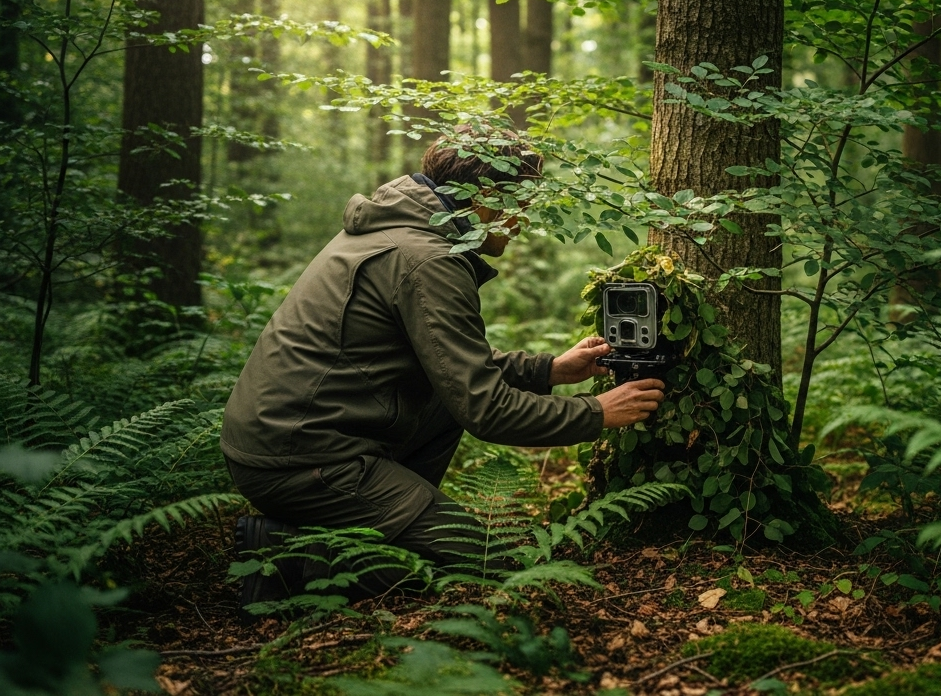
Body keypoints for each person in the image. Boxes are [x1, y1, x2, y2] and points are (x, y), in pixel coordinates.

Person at [220, 134, 665, 604]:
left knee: (444, 405)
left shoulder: (398, 228)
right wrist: (598, 412)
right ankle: (280, 556)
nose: (522, 221)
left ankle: (387, 515)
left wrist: (549, 370)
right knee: (488, 567)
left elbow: (452, 366)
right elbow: (488, 410)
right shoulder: (428, 259)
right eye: (522, 204)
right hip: (302, 461)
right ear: (487, 198)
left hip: (297, 439)